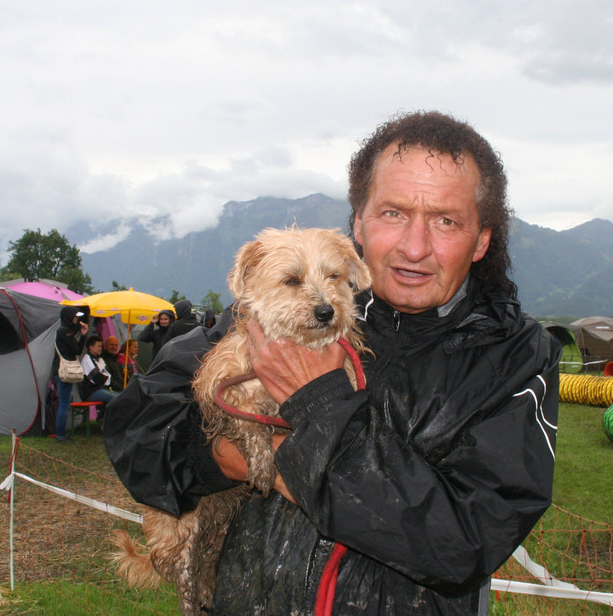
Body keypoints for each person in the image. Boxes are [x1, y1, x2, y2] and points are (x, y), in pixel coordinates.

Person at [105, 110, 560, 613]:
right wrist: (218, 456)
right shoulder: (271, 317)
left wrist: (314, 407)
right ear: (358, 223)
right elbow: (135, 426)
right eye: (393, 213)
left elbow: (465, 543)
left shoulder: (517, 357)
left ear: (481, 240)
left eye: (445, 221)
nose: (414, 247)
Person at [53, 306, 88, 443]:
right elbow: (77, 350)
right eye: (75, 316)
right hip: (63, 370)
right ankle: (60, 434)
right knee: (64, 403)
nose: (77, 318)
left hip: (61, 370)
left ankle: (61, 433)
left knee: (65, 402)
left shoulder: (65, 331)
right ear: (69, 316)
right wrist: (83, 336)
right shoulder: (65, 331)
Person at [79, 335, 121, 406]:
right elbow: (98, 379)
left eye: (101, 347)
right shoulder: (87, 359)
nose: (100, 349)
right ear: (91, 347)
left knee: (121, 396)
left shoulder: (99, 360)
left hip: (100, 389)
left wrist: (105, 378)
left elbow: (108, 377)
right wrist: (106, 378)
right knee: (117, 399)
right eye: (98, 346)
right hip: (90, 392)